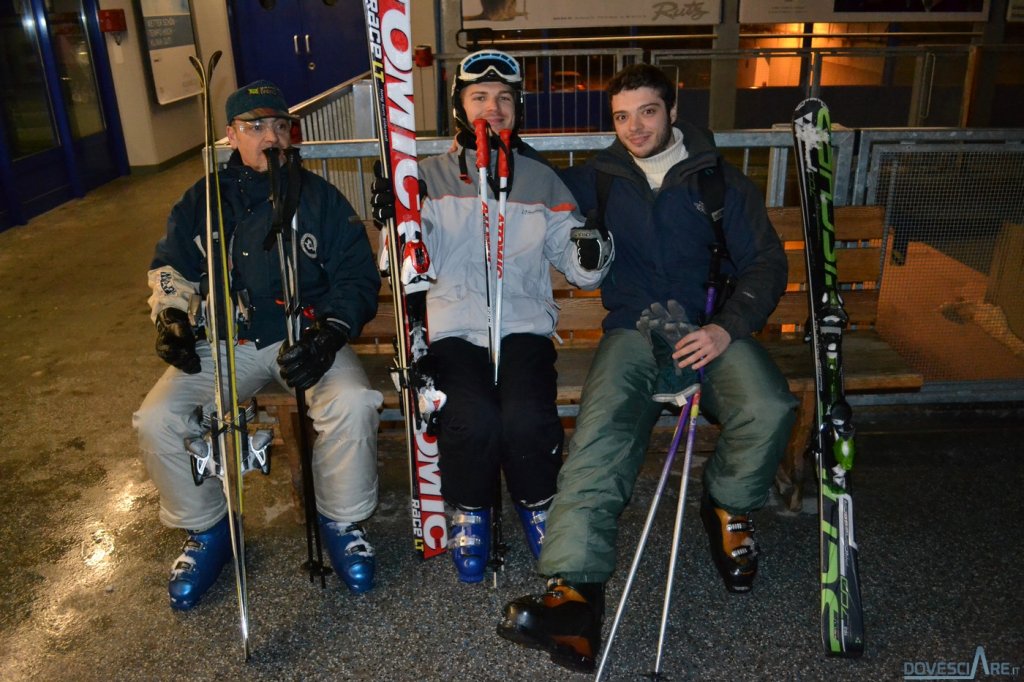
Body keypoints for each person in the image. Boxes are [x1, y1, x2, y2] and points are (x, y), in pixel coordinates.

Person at [497, 63, 798, 672]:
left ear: (672, 108)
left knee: (769, 405)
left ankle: (727, 504)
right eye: (622, 116)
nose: (635, 127)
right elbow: (525, 183)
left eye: (648, 112)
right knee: (601, 428)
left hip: (707, 327)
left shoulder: (719, 184)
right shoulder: (598, 180)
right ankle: (574, 595)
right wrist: (492, 131)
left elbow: (766, 263)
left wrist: (725, 327)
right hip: (635, 328)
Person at [133, 80, 383, 610]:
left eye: (280, 126)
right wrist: (173, 318)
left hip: (303, 335)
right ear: (231, 135)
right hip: (228, 339)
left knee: (353, 402)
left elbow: (357, 275)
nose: (271, 137)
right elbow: (171, 267)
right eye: (256, 126)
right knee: (157, 417)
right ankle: (207, 529)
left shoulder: (318, 196)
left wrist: (331, 332)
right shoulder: (201, 200)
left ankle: (341, 521)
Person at [371, 49, 612, 584]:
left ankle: (537, 502)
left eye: (504, 98)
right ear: (459, 105)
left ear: (518, 107)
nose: (493, 107)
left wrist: (590, 246)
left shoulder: (540, 179)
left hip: (522, 327)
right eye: (479, 96)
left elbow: (580, 267)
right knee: (472, 416)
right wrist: (399, 221)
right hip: (455, 329)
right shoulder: (427, 176)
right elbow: (401, 266)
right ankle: (470, 510)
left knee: (527, 417)